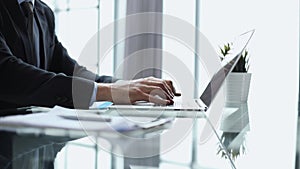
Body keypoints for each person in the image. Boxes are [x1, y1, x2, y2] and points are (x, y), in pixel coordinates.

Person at [0, 0, 180, 109]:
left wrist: (126, 86)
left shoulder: (43, 12)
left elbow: (71, 70)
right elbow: (7, 73)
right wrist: (108, 91)